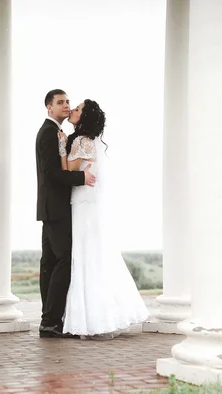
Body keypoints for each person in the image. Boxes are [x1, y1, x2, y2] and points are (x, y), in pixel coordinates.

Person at [58, 99, 149, 338]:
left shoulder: (80, 140)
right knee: (95, 254)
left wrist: (60, 146)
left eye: (77, 109)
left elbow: (67, 170)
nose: (73, 110)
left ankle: (91, 319)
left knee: (86, 255)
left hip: (83, 204)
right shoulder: (88, 140)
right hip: (89, 203)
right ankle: (102, 314)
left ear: (84, 117)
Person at [36, 89, 96, 338]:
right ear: (49, 107)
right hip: (57, 207)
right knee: (63, 262)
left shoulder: (54, 133)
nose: (66, 106)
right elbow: (51, 174)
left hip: (50, 207)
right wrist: (82, 176)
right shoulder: (49, 132)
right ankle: (51, 321)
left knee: (49, 263)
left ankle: (48, 321)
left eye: (68, 102)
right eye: (60, 102)